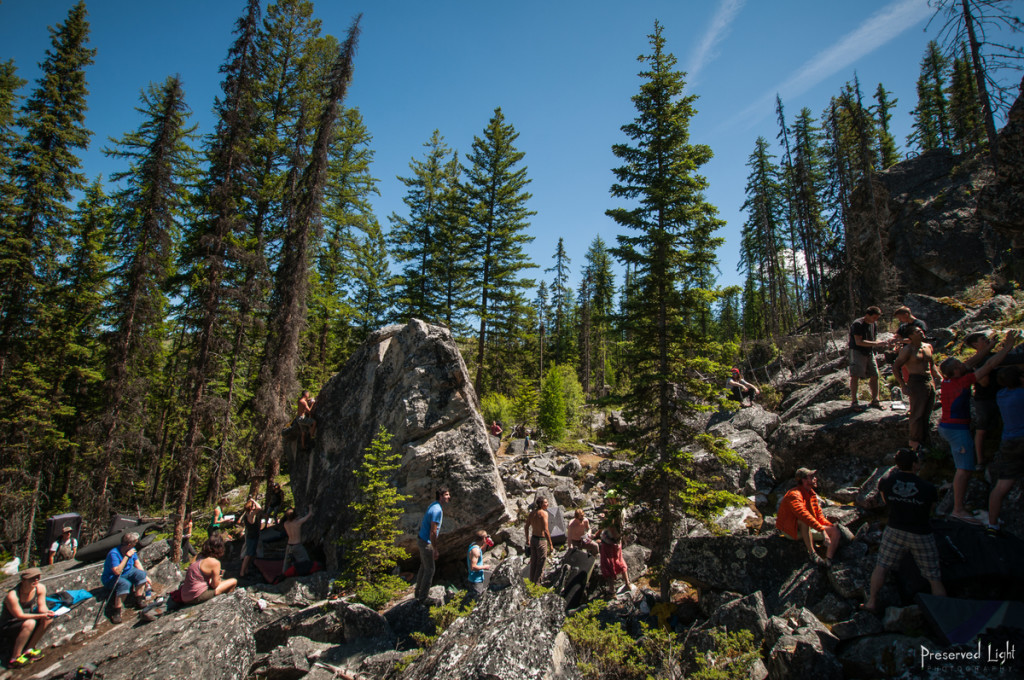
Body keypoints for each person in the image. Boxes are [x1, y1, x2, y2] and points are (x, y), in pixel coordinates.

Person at [938, 330, 1020, 521]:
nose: (963, 365)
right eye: (959, 365)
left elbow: (973, 361)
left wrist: (989, 347)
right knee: (965, 469)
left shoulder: (949, 380)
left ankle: (959, 505)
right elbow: (989, 365)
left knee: (964, 467)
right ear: (956, 372)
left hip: (948, 427)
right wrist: (1008, 346)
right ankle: (958, 509)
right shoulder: (963, 381)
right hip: (957, 430)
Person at [863, 448, 946, 613]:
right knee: (933, 576)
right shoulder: (927, 487)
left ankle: (871, 602)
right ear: (915, 464)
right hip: (920, 533)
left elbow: (887, 502)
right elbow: (932, 509)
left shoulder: (886, 481)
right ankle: (942, 611)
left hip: (894, 529)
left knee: (882, 566)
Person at [987, 366, 1024, 536]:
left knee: (1002, 485)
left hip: (1008, 442)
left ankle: (992, 524)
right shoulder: (1021, 395)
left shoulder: (1001, 395)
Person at [777, 468, 841, 565]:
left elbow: (819, 516)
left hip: (808, 528)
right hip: (790, 530)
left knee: (835, 531)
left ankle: (828, 561)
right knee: (804, 521)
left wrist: (829, 527)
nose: (815, 479)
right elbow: (803, 515)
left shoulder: (811, 494)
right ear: (804, 480)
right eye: (812, 477)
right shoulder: (794, 495)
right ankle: (812, 554)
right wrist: (822, 531)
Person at [893, 325, 942, 452]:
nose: (921, 332)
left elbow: (932, 365)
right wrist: (903, 385)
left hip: (929, 380)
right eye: (917, 331)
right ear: (910, 336)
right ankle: (914, 442)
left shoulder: (927, 346)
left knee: (928, 411)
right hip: (916, 381)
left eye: (921, 330)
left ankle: (924, 440)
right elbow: (896, 367)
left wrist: (941, 378)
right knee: (917, 413)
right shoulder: (908, 349)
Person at [1, 568, 54, 667]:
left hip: (26, 620)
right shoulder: (12, 596)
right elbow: (19, 615)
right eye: (32, 579)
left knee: (48, 620)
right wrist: (41, 615)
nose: (36, 581)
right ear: (23, 581)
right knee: (31, 623)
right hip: (9, 624)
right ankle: (15, 658)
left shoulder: (40, 588)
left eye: (37, 578)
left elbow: (42, 606)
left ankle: (29, 649)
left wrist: (47, 613)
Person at [101, 531, 151, 624]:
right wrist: (127, 556)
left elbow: (137, 563)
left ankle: (139, 599)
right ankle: (117, 611)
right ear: (129, 544)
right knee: (125, 584)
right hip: (112, 577)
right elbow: (117, 571)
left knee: (141, 574)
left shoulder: (132, 550)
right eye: (135, 542)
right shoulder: (114, 554)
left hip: (128, 572)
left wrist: (146, 576)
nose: (136, 544)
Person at [849, 306, 890, 410]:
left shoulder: (873, 324)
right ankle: (854, 402)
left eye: (877, 318)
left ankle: (875, 400)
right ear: (868, 315)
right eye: (874, 317)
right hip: (857, 352)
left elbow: (874, 338)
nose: (875, 320)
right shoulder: (858, 324)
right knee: (855, 376)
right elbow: (858, 342)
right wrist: (877, 344)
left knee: (875, 375)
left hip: (869, 351)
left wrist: (883, 342)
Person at [180, 534, 238, 605]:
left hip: (185, 595)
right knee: (233, 581)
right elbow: (215, 585)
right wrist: (218, 577)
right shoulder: (215, 562)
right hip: (197, 596)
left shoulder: (198, 556)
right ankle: (228, 604)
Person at [415, 486, 450, 602]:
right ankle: (423, 597)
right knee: (430, 570)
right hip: (426, 542)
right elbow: (433, 531)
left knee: (423, 566)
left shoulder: (433, 505)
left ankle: (417, 592)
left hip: (421, 539)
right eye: (446, 495)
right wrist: (434, 548)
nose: (449, 497)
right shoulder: (437, 510)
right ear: (440, 496)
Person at [525, 497, 554, 584]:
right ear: (541, 504)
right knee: (541, 562)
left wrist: (527, 540)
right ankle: (537, 585)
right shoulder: (544, 513)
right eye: (545, 503)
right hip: (541, 540)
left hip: (533, 539)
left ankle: (531, 582)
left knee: (533, 561)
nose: (547, 504)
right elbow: (546, 530)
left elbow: (526, 527)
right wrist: (551, 544)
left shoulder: (532, 513)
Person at [598, 522, 631, 593]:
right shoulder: (621, 513)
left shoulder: (612, 518)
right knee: (619, 560)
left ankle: (612, 590)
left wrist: (604, 521)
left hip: (608, 544)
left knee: (607, 565)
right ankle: (627, 584)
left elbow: (612, 529)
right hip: (617, 542)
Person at [281, 507, 313, 572]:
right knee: (305, 560)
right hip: (297, 545)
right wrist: (310, 507)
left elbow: (291, 520)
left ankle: (283, 574)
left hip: (289, 545)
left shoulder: (285, 524)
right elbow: (309, 515)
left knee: (286, 563)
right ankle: (307, 573)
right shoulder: (297, 523)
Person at [465, 530, 492, 600]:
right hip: (476, 580)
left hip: (474, 578)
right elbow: (473, 567)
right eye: (487, 537)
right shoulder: (475, 551)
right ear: (483, 538)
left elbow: (481, 551)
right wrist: (485, 567)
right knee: (477, 599)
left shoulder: (473, 545)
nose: (488, 538)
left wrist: (486, 544)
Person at [240, 496, 262, 578]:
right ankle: (242, 572)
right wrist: (253, 500)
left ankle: (246, 570)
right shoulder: (250, 515)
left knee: (251, 554)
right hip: (252, 537)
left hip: (252, 535)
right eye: (253, 505)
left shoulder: (248, 514)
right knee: (248, 554)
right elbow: (259, 508)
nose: (254, 506)